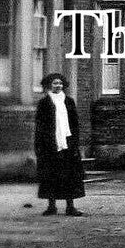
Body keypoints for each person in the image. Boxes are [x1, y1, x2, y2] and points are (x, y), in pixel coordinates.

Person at [34, 72, 85, 216]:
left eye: (60, 83)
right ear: (49, 85)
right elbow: (40, 125)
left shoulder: (69, 101)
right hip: (50, 143)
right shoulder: (44, 103)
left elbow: (74, 124)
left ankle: (70, 206)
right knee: (51, 174)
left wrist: (75, 142)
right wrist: (40, 145)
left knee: (69, 174)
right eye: (55, 83)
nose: (58, 86)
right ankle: (51, 206)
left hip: (67, 142)